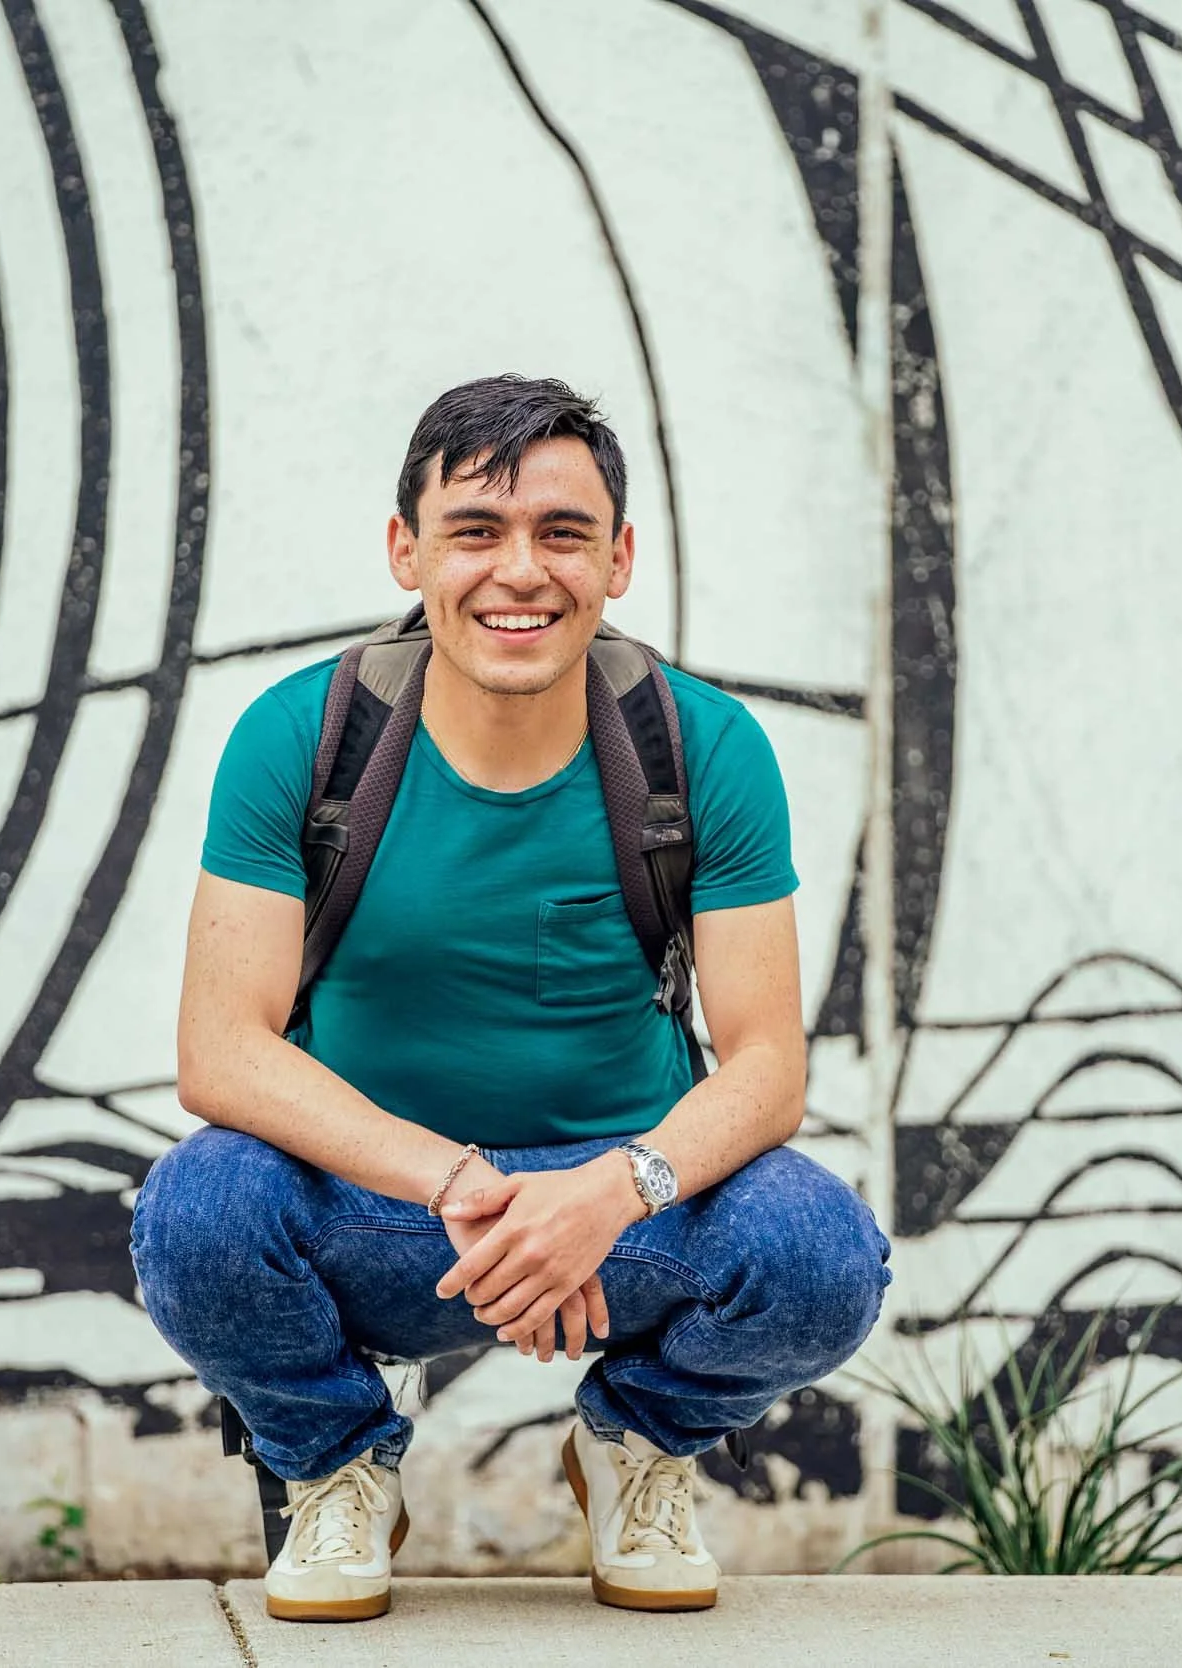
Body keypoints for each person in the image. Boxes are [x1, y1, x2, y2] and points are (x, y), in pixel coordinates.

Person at [131, 375, 890, 1623]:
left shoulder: (701, 748)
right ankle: (335, 1461)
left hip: (626, 1212)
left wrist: (608, 1194)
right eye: (475, 531)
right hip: (387, 1207)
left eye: (562, 533)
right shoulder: (301, 738)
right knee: (196, 1213)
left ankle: (636, 1442)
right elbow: (221, 1053)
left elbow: (766, 1071)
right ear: (408, 551)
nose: (519, 571)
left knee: (821, 1254)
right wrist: (458, 1183)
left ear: (619, 559)